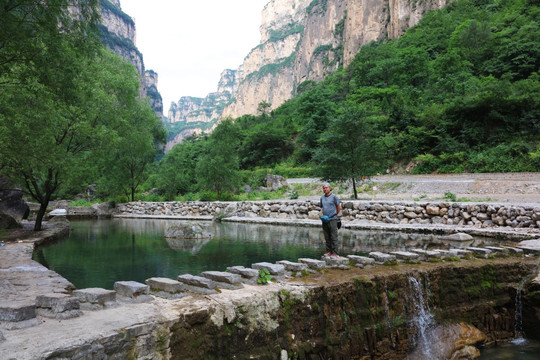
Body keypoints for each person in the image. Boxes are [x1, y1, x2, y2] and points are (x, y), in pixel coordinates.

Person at [319, 182, 341, 257]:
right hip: (325, 219)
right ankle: (328, 251)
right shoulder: (322, 198)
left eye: (326, 188)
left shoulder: (334, 197)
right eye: (324, 188)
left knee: (333, 236)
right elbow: (322, 207)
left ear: (329, 188)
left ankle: (335, 252)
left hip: (333, 219)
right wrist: (321, 216)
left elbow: (338, 207)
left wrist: (335, 214)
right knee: (326, 236)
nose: (325, 189)